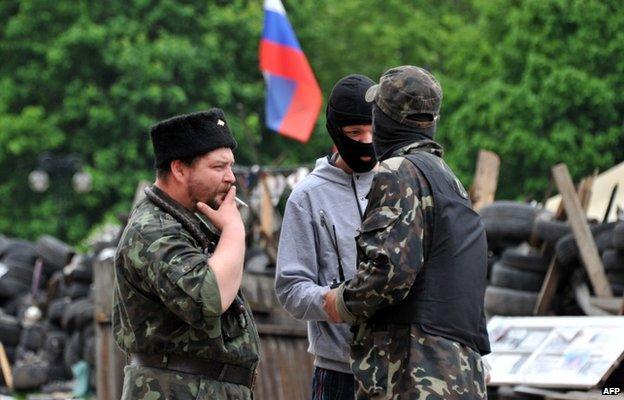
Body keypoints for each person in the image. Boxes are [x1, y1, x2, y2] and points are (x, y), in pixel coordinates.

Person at [323, 66, 491, 399]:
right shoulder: (450, 182)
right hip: (458, 372)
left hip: (414, 370)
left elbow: (390, 272)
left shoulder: (399, 171)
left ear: (386, 118)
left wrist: (341, 301)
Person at [112, 109, 260, 400]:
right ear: (179, 169)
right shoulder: (152, 230)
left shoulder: (185, 221)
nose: (231, 178)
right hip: (176, 390)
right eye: (218, 167)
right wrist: (233, 230)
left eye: (231, 166)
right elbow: (210, 298)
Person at [275, 74, 377, 400]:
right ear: (335, 133)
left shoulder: (400, 184)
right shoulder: (306, 197)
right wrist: (338, 302)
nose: (366, 141)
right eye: (354, 133)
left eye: (374, 131)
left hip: (399, 369)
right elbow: (291, 288)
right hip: (339, 373)